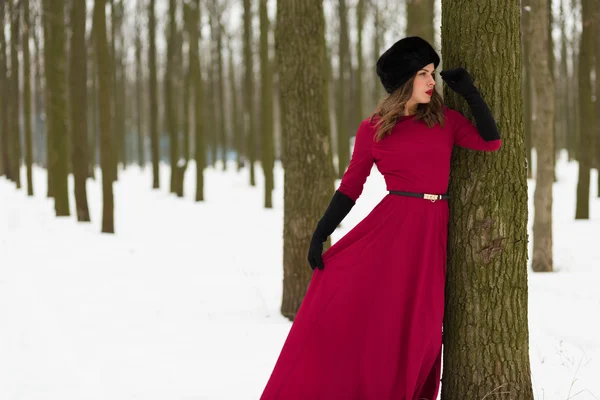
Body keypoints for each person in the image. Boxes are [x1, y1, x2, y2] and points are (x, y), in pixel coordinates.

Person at [260, 36, 501, 400]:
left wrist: (470, 93)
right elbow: (350, 188)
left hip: (431, 230)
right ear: (404, 81)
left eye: (432, 73)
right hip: (391, 232)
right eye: (423, 73)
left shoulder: (445, 120)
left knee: (422, 327)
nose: (431, 81)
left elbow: (491, 142)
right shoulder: (373, 129)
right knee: (383, 323)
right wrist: (320, 232)